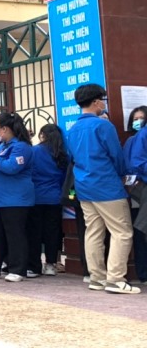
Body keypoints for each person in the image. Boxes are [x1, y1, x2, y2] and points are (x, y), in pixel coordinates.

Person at [67, 84, 140, 294]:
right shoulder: (103, 126)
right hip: (107, 186)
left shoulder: (72, 129)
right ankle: (115, 279)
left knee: (93, 232)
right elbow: (116, 155)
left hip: (84, 187)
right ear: (97, 101)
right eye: (103, 100)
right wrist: (123, 175)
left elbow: (72, 158)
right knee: (122, 232)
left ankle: (96, 278)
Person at [0, 112, 33, 282]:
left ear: (4, 129)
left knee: (15, 234)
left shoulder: (21, 147)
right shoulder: (1, 146)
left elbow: (12, 167)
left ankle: (18, 269)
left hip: (16, 198)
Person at [27, 124, 67, 277]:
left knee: (34, 232)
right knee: (52, 232)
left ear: (42, 135)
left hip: (35, 197)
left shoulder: (34, 151)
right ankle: (51, 264)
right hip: (55, 198)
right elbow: (65, 178)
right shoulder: (62, 154)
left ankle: (34, 266)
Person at [124, 105, 147, 284]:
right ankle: (143, 273)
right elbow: (132, 164)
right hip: (137, 189)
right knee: (140, 232)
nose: (138, 121)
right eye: (135, 119)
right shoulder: (133, 140)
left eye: (141, 118)